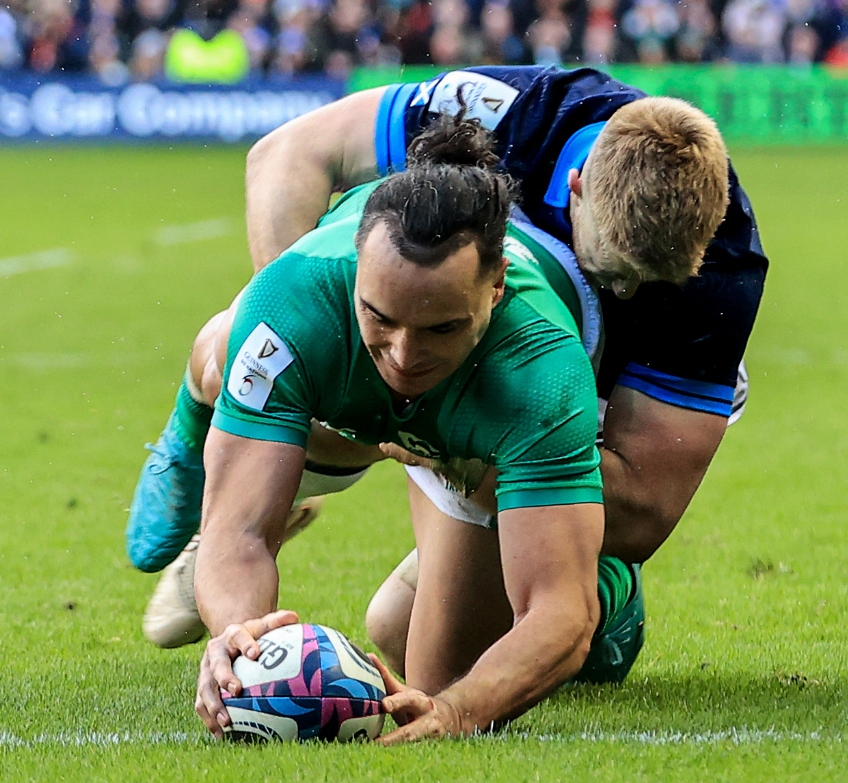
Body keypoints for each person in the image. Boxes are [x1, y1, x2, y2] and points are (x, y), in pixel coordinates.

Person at [128, 67, 763, 650]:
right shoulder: (513, 114)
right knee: (230, 346)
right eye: (615, 273)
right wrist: (309, 341)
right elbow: (290, 151)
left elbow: (643, 509)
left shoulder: (723, 271)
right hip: (449, 325)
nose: (627, 294)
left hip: (576, 398)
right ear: (574, 188)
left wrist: (448, 457)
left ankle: (602, 594)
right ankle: (193, 440)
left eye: (647, 284)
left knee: (408, 638)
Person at [192, 118, 640, 741]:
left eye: (440, 328)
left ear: (495, 289)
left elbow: (558, 613)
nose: (403, 356)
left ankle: (613, 584)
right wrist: (238, 638)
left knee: (437, 674)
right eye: (380, 317)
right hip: (375, 409)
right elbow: (237, 531)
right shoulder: (288, 305)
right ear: (355, 272)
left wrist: (460, 712)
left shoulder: (543, 370)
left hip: (479, 438)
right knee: (213, 356)